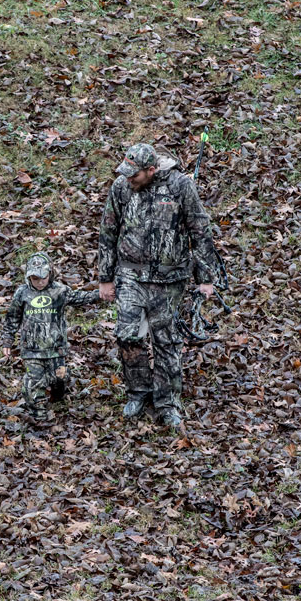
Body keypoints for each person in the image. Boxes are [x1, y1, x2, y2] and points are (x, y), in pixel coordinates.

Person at [98, 143, 219, 429]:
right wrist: (105, 277)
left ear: (151, 170)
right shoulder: (121, 187)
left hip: (170, 279)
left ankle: (167, 402)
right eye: (126, 173)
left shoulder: (180, 186)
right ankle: (138, 392)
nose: (129, 179)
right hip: (130, 276)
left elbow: (199, 230)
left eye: (135, 175)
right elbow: (108, 230)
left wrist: (205, 278)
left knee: (166, 342)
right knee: (128, 336)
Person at [2, 252, 101, 420]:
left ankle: (58, 394)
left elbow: (79, 297)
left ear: (51, 273)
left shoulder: (60, 291)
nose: (40, 282)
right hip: (31, 349)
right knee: (33, 382)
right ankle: (38, 414)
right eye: (35, 278)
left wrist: (101, 294)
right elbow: (12, 317)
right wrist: (7, 340)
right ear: (28, 277)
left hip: (56, 348)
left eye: (43, 277)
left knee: (59, 377)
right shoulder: (22, 293)